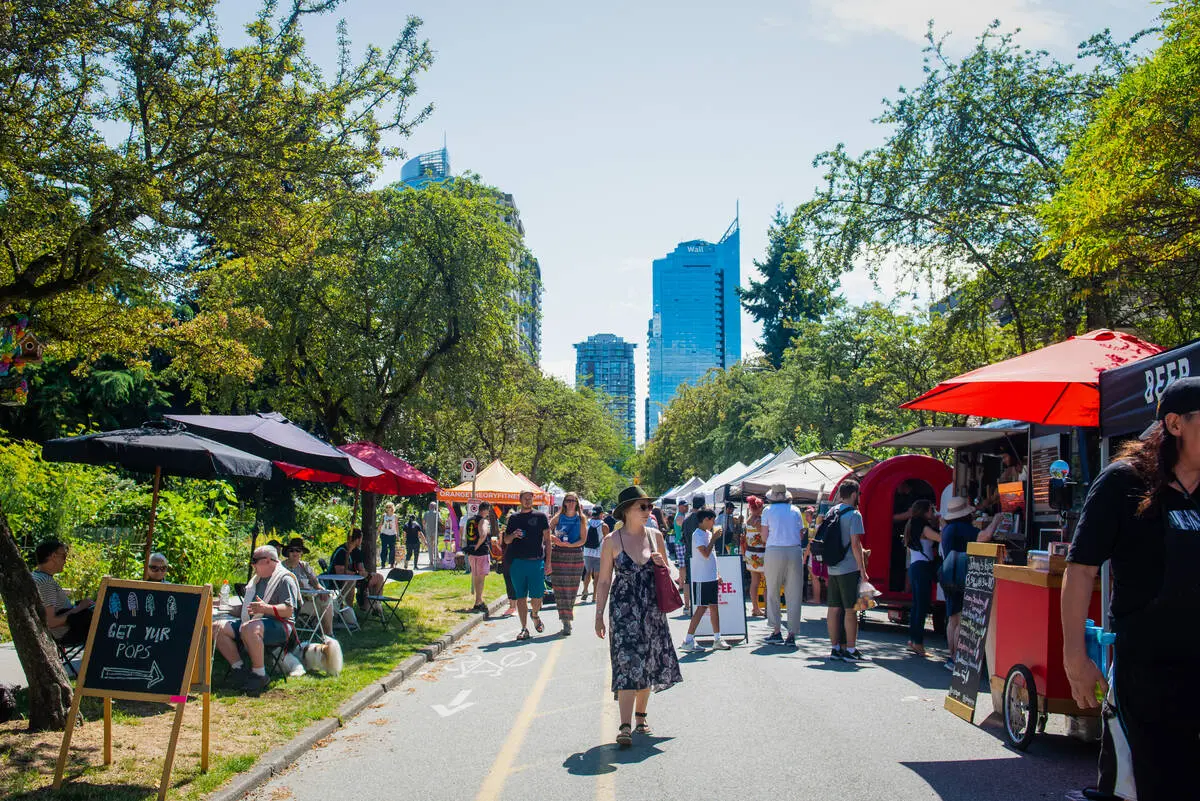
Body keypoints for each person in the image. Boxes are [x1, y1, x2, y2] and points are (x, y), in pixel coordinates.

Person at [1063, 377, 1200, 801]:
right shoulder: (1123, 482)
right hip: (1144, 671)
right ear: (1176, 424)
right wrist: (1075, 656)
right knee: (1137, 787)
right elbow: (1081, 569)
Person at [594, 485, 683, 747]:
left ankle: (641, 717)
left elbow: (668, 572)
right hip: (623, 611)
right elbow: (603, 582)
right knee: (626, 663)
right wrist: (598, 615)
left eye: (649, 506)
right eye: (642, 506)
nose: (648, 511)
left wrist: (660, 563)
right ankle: (624, 725)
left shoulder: (656, 537)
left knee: (649, 660)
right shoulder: (612, 541)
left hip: (652, 610)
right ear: (626, 511)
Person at [214, 545, 299, 693]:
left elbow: (288, 609)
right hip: (254, 622)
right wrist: (222, 606)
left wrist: (266, 608)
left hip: (280, 625)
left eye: (254, 561)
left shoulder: (285, 579)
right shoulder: (256, 580)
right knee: (217, 627)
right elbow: (247, 609)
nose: (252, 564)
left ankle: (259, 674)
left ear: (267, 561)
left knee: (250, 627)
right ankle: (239, 670)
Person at [938, 495, 999, 669]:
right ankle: (959, 659)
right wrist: (996, 520)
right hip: (962, 574)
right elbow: (984, 537)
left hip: (948, 572)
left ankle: (951, 657)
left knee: (952, 619)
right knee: (962, 618)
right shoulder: (962, 528)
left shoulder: (948, 529)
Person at [826, 481, 870, 662]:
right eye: (858, 495)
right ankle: (851, 650)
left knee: (833, 609)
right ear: (854, 494)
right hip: (849, 568)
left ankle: (835, 647)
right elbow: (855, 543)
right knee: (852, 609)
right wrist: (863, 569)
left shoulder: (832, 511)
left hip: (832, 567)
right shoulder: (854, 514)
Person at [503, 490, 551, 640]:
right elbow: (506, 540)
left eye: (530, 499)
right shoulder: (514, 518)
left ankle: (535, 614)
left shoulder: (541, 517)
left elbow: (548, 541)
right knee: (521, 597)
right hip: (517, 562)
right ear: (520, 500)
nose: (528, 501)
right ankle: (524, 629)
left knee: (537, 596)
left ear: (533, 500)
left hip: (536, 561)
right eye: (525, 498)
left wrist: (548, 562)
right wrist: (513, 535)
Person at [681, 509, 731, 651]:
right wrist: (714, 538)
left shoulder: (708, 534)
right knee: (701, 608)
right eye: (712, 520)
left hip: (711, 577)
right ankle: (688, 640)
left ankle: (717, 638)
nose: (713, 523)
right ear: (705, 520)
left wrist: (717, 574)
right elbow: (705, 554)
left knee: (714, 607)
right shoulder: (697, 535)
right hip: (702, 578)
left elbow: (712, 556)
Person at [761, 484, 804, 647]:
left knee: (773, 590)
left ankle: (776, 630)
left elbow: (765, 537)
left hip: (774, 550)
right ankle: (792, 633)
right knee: (794, 593)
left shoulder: (767, 511)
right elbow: (800, 534)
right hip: (794, 550)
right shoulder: (795, 510)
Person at [31, 539, 95, 646]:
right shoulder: (45, 582)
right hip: (65, 633)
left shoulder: (36, 576)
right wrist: (78, 609)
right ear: (53, 556)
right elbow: (51, 622)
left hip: (63, 629)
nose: (65, 561)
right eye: (64, 556)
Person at [903, 500, 941, 657]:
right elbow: (941, 538)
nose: (933, 513)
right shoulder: (924, 527)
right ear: (925, 512)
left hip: (914, 566)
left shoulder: (911, 525)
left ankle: (914, 640)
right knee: (922, 606)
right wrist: (942, 522)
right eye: (931, 510)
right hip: (922, 567)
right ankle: (918, 643)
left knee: (917, 606)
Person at [548, 493, 586, 635]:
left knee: (571, 590)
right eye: (568, 500)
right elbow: (546, 532)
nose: (570, 503)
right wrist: (555, 539)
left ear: (576, 503)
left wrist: (570, 546)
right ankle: (565, 620)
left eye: (573, 501)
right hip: (558, 555)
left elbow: (583, 539)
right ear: (564, 503)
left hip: (575, 556)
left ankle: (567, 615)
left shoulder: (581, 519)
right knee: (559, 589)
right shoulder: (557, 517)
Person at [281, 537, 333, 636]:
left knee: (326, 599)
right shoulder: (281, 567)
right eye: (292, 550)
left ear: (302, 553)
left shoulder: (304, 566)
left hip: (307, 599)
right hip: (291, 603)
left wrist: (323, 591)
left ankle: (328, 634)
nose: (294, 553)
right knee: (323, 607)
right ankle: (325, 635)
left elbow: (315, 583)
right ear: (288, 552)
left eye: (298, 550)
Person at [330, 529, 385, 610]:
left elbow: (361, 568)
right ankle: (348, 610)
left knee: (379, 577)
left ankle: (375, 606)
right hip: (339, 580)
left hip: (356, 578)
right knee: (351, 581)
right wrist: (356, 574)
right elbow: (340, 571)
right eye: (361, 539)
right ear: (357, 540)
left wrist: (364, 573)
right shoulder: (341, 551)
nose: (361, 541)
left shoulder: (357, 552)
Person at [465, 503, 495, 613]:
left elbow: (465, 534)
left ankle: (478, 600)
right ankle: (478, 602)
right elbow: (483, 535)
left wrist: (471, 548)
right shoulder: (484, 521)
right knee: (481, 579)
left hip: (471, 553)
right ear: (486, 510)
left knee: (476, 576)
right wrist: (477, 547)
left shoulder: (470, 520)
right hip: (481, 552)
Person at [742, 496, 767, 617]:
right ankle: (768, 609)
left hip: (751, 553)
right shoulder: (760, 520)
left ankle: (755, 608)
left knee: (754, 582)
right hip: (762, 553)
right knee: (768, 582)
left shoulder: (748, 520)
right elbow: (764, 538)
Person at [580, 505, 609, 602]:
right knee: (597, 575)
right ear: (601, 514)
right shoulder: (604, 525)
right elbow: (607, 540)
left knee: (587, 572)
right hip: (598, 553)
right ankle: (594, 596)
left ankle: (585, 590)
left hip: (587, 551)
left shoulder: (586, 523)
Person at [671, 501, 690, 608]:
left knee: (683, 565)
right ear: (680, 507)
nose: (686, 507)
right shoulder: (680, 517)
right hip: (680, 543)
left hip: (680, 542)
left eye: (687, 506)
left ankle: (681, 582)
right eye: (685, 506)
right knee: (683, 565)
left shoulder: (680, 515)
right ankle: (682, 584)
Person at [379, 502, 399, 569]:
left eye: (389, 507)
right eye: (387, 507)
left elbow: (396, 526)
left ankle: (392, 563)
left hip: (392, 534)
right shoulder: (384, 515)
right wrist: (377, 533)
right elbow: (380, 524)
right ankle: (383, 564)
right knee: (384, 549)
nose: (388, 508)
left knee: (392, 550)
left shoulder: (395, 516)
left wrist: (398, 535)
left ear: (392, 508)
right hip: (384, 534)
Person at [422, 501, 441, 570]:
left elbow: (423, 522)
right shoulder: (437, 513)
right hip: (435, 531)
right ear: (435, 507)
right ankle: (437, 559)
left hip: (428, 531)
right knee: (435, 545)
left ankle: (431, 561)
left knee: (430, 546)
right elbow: (440, 521)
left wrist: (425, 528)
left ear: (429, 507)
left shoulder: (426, 513)